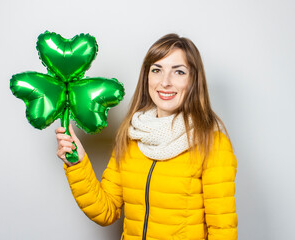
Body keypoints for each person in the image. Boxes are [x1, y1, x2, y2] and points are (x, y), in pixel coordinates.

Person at [55, 33, 238, 240]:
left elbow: (223, 231)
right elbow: (105, 211)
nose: (165, 82)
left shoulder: (211, 141)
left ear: (193, 80)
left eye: (178, 72)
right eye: (157, 70)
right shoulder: (131, 135)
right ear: (147, 77)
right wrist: (77, 164)